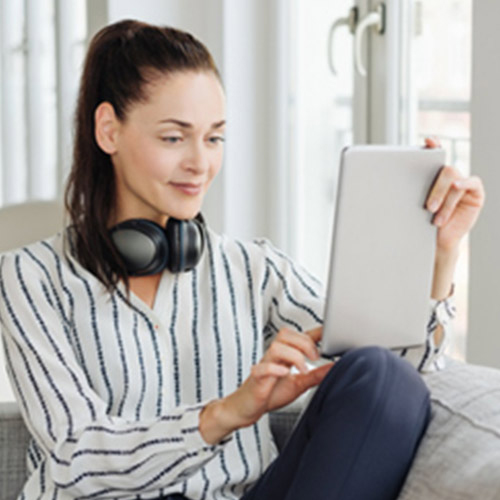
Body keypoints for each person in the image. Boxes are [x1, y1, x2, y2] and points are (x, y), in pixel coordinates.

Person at [0, 20, 484, 500]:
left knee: (384, 380)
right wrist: (227, 413)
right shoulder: (29, 278)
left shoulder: (251, 270)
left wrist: (441, 254)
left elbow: (408, 366)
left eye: (214, 138)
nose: (199, 163)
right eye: (174, 138)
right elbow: (72, 459)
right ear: (109, 130)